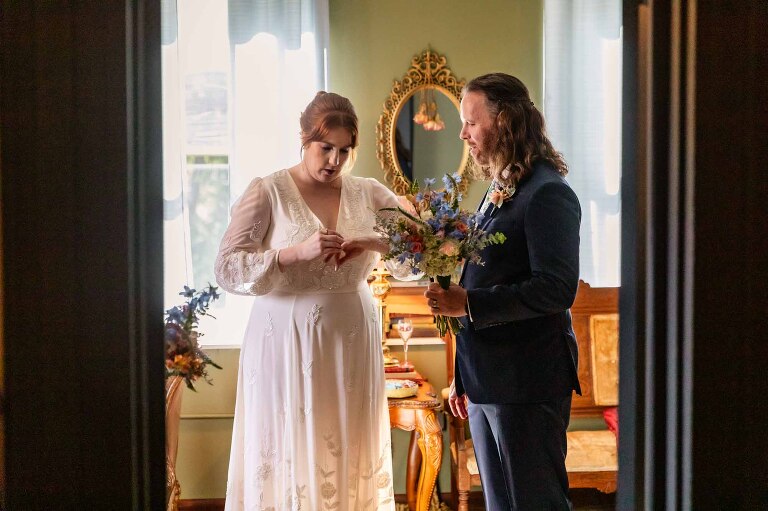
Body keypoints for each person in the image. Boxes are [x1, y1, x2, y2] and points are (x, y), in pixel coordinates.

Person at [215, 91, 411, 511]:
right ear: (305, 139)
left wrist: (371, 241)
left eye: (344, 151)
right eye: (326, 148)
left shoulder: (369, 192)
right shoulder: (268, 191)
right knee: (289, 443)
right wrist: (293, 253)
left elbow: (422, 253)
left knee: (347, 441)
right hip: (284, 341)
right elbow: (228, 269)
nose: (334, 161)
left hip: (352, 338)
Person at [424, 73, 582, 510]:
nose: (463, 134)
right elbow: (482, 276)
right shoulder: (499, 187)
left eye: (471, 123)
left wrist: (468, 303)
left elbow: (556, 289)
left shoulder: (548, 192)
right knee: (499, 505)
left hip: (528, 381)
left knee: (535, 503)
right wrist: (463, 375)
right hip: (486, 379)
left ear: (505, 121)